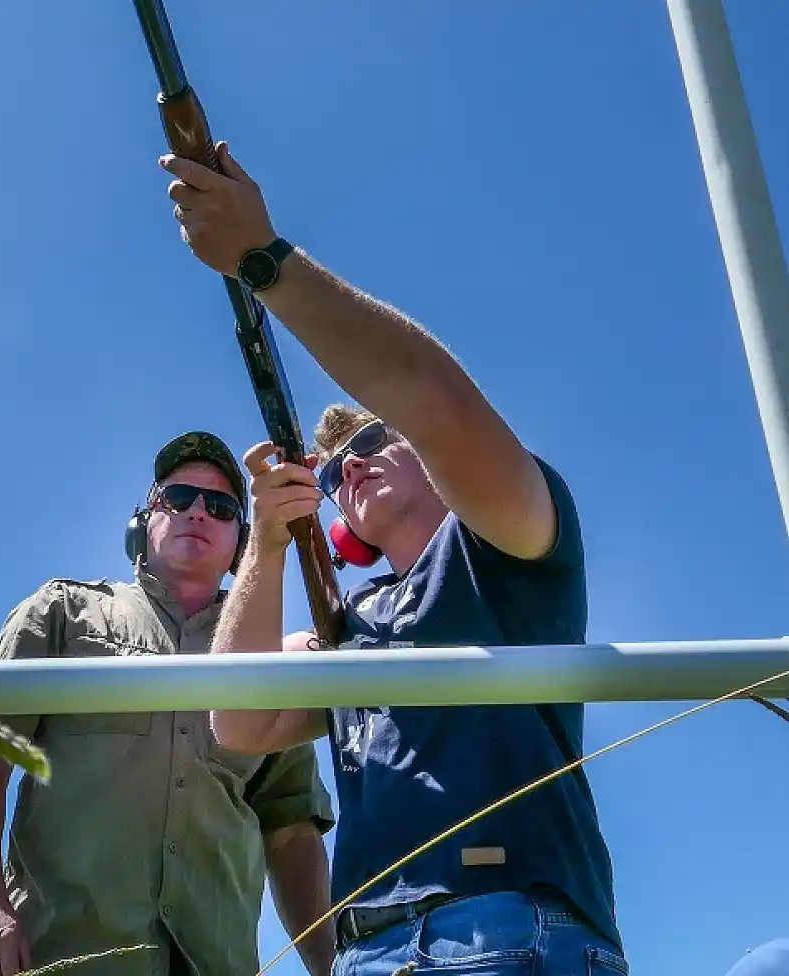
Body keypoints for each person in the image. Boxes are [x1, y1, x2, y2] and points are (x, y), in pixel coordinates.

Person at [159, 142, 628, 974]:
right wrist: (266, 545)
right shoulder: (352, 628)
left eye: (375, 438)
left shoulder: (508, 545)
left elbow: (435, 401)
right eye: (335, 470)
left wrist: (263, 258)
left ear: (433, 460)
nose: (353, 465)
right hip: (370, 953)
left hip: (510, 929)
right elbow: (236, 720)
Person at [0, 431, 337, 976]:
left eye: (221, 506)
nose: (198, 512)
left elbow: (291, 829)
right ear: (143, 522)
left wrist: (330, 964)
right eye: (177, 498)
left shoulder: (265, 658)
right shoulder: (63, 613)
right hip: (63, 957)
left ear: (241, 545)